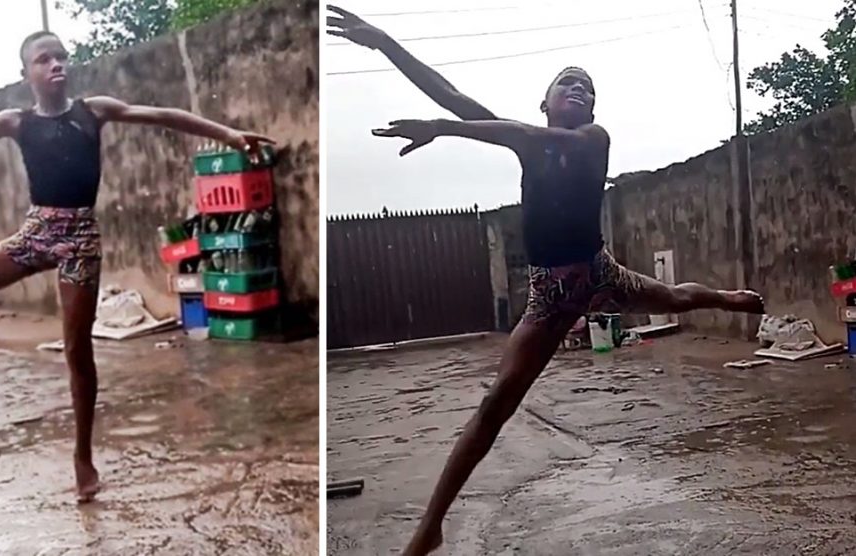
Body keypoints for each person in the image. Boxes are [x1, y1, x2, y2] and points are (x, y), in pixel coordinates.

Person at [328, 6, 765, 555]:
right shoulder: (529, 140)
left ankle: (726, 297)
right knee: (495, 406)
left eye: (587, 87)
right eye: (567, 83)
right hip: (548, 297)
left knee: (676, 297)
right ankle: (431, 527)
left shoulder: (592, 139)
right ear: (546, 102)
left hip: (600, 274)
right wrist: (386, 43)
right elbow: (452, 94)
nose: (579, 89)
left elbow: (505, 130)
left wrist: (443, 129)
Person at [0, 30, 274, 503]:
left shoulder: (92, 110)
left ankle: (82, 457)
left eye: (60, 57)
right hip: (37, 231)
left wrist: (228, 134)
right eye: (44, 59)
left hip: (79, 239)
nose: (56, 64)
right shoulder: (16, 121)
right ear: (27, 73)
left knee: (78, 350)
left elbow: (162, 115)